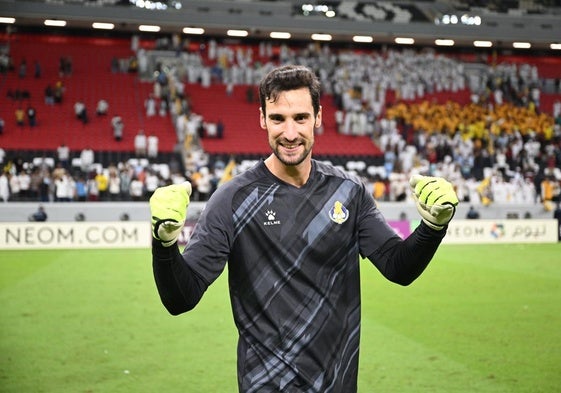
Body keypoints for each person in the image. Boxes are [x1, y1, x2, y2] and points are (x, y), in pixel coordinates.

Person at [149, 65, 459, 392]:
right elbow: (180, 298)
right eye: (278, 118)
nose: (290, 132)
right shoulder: (232, 199)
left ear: (318, 117)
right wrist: (164, 244)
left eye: (300, 117)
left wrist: (432, 227)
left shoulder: (349, 192)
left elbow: (399, 267)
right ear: (262, 119)